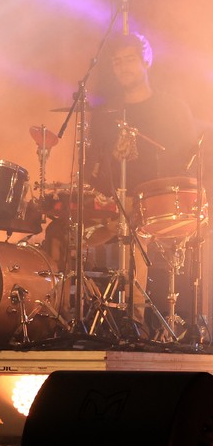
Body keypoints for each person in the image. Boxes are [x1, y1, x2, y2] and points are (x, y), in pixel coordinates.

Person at [84, 32, 200, 338]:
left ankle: (134, 323)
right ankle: (76, 318)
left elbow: (190, 163)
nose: (123, 67)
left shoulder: (171, 109)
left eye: (130, 59)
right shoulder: (107, 115)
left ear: (146, 60)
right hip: (115, 205)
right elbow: (95, 169)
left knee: (135, 235)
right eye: (117, 62)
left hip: (157, 205)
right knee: (67, 231)